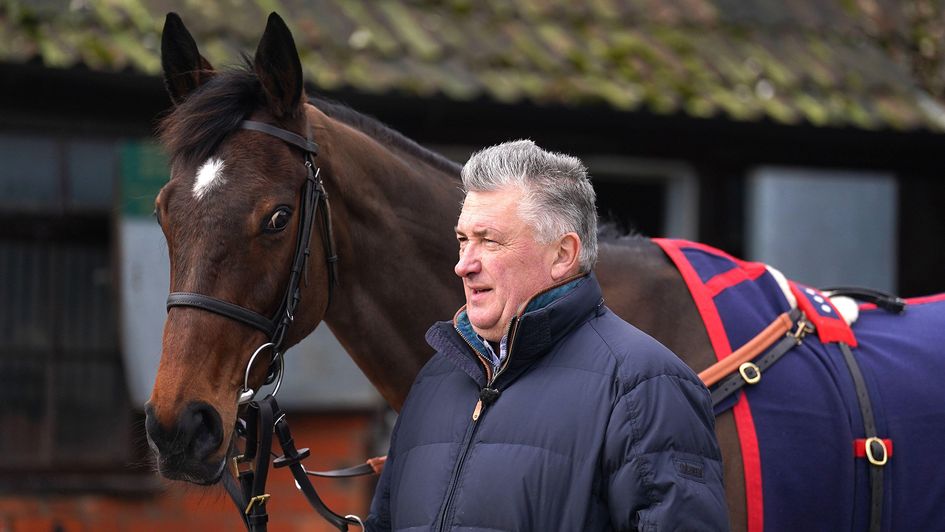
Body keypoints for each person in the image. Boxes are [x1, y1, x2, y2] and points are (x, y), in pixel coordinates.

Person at [365, 140, 729, 531]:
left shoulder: (645, 386)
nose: (463, 265)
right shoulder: (435, 379)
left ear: (562, 255)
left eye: (489, 241)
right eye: (462, 240)